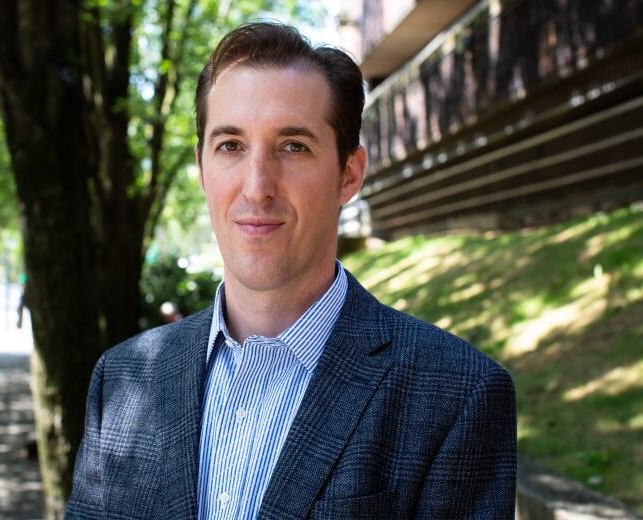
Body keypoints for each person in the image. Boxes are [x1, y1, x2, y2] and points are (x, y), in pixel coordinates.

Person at [66, 22, 516, 519]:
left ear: (349, 173)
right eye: (231, 146)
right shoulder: (123, 379)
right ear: (202, 168)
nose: (257, 187)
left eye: (293, 146)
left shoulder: (457, 395)